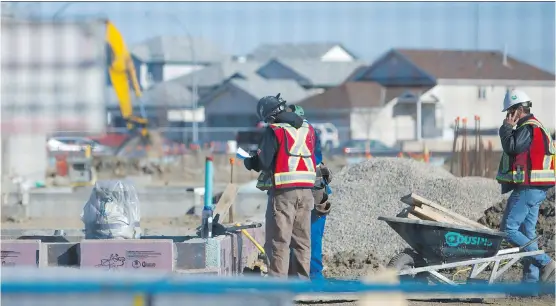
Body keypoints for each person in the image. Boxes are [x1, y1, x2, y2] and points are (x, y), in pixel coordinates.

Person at [243, 94, 317, 278]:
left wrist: (250, 162)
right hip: (307, 191)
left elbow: (264, 163)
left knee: (279, 241)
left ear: (269, 115)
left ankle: (278, 285)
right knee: (302, 241)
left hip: (284, 193)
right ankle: (302, 284)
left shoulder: (274, 130)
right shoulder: (307, 128)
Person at [496, 89, 555, 284]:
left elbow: (512, 147)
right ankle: (530, 281)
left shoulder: (526, 127)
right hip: (537, 188)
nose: (507, 116)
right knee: (527, 233)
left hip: (529, 188)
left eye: (509, 111)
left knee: (509, 229)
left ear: (519, 110)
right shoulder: (535, 126)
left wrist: (505, 129)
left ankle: (546, 263)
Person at [287, 105, 333, 280]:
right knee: (306, 237)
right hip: (311, 189)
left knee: (309, 237)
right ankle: (307, 276)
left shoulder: (300, 134)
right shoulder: (309, 131)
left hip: (311, 191)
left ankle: (313, 278)